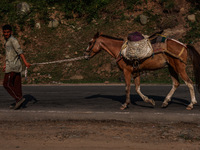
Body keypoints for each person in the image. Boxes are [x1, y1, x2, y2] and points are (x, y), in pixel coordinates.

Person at [2, 24, 31, 110]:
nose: (6, 34)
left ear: (11, 32)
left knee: (6, 84)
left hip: (13, 66)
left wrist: (25, 62)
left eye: (8, 32)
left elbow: (19, 52)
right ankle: (18, 102)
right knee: (17, 85)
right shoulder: (6, 41)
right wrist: (5, 64)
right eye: (5, 32)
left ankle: (18, 99)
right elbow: (9, 54)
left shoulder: (13, 40)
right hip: (12, 65)